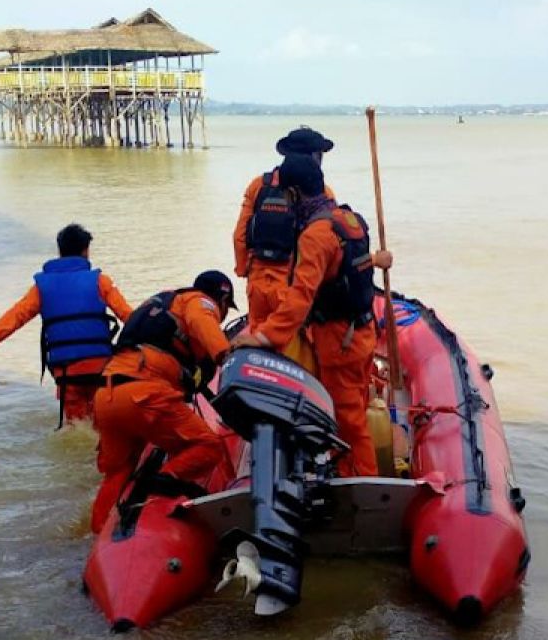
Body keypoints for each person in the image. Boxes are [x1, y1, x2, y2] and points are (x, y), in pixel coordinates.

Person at [231, 155, 392, 477]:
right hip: (363, 332)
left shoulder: (314, 235)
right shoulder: (350, 219)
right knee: (356, 410)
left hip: (338, 341)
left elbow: (300, 297)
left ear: (292, 194)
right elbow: (348, 265)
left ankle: (363, 488)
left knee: (349, 423)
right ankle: (346, 470)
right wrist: (377, 260)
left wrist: (263, 337)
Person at [89, 270, 236, 531]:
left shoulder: (161, 302)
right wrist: (224, 354)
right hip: (144, 392)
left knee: (118, 472)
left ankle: (98, 536)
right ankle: (161, 483)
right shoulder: (200, 302)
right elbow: (202, 320)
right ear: (222, 301)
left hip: (106, 392)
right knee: (208, 446)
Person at [0, 223, 133, 427]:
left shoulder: (41, 287)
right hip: (100, 367)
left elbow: (16, 316)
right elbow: (130, 317)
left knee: (76, 426)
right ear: (86, 251)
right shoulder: (100, 281)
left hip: (66, 371)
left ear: (59, 251)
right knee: (102, 424)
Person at [233, 126, 338, 333]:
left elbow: (240, 236)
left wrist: (245, 270)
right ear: (313, 157)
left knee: (258, 341)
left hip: (257, 282)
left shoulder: (258, 185)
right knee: (295, 346)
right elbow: (328, 243)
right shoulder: (321, 194)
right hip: (291, 285)